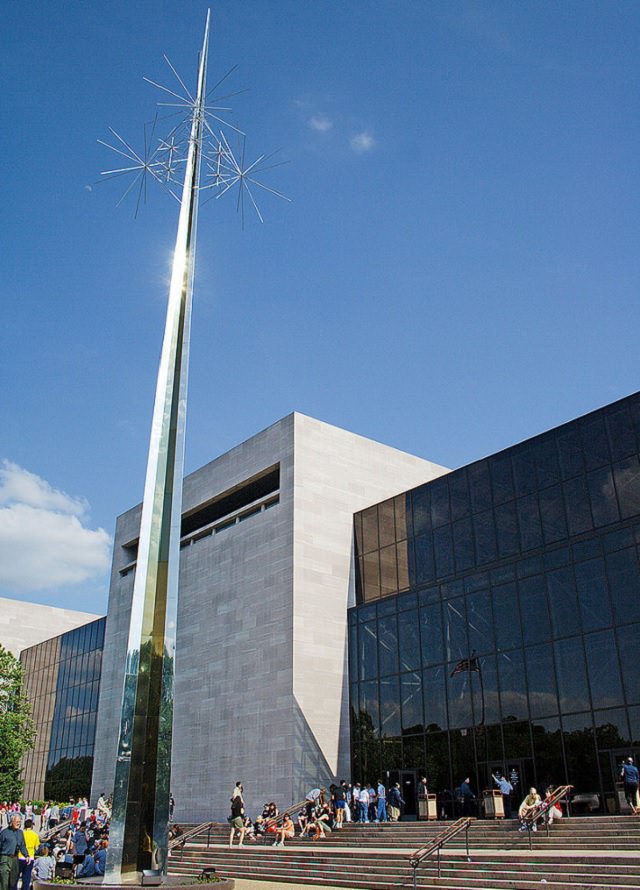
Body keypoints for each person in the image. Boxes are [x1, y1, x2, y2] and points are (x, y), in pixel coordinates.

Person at [0, 815, 29, 890]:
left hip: (15, 859)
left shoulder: (20, 833)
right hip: (5, 858)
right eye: (17, 822)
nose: (18, 823)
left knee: (12, 881)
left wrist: (26, 855)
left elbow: (23, 845)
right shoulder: (4, 833)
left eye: (19, 822)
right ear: (12, 822)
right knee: (4, 880)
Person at [17, 819, 39, 890]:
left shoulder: (21, 833)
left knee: (16, 876)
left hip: (20, 857)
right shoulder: (35, 835)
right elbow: (37, 847)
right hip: (30, 858)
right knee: (26, 877)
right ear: (31, 826)